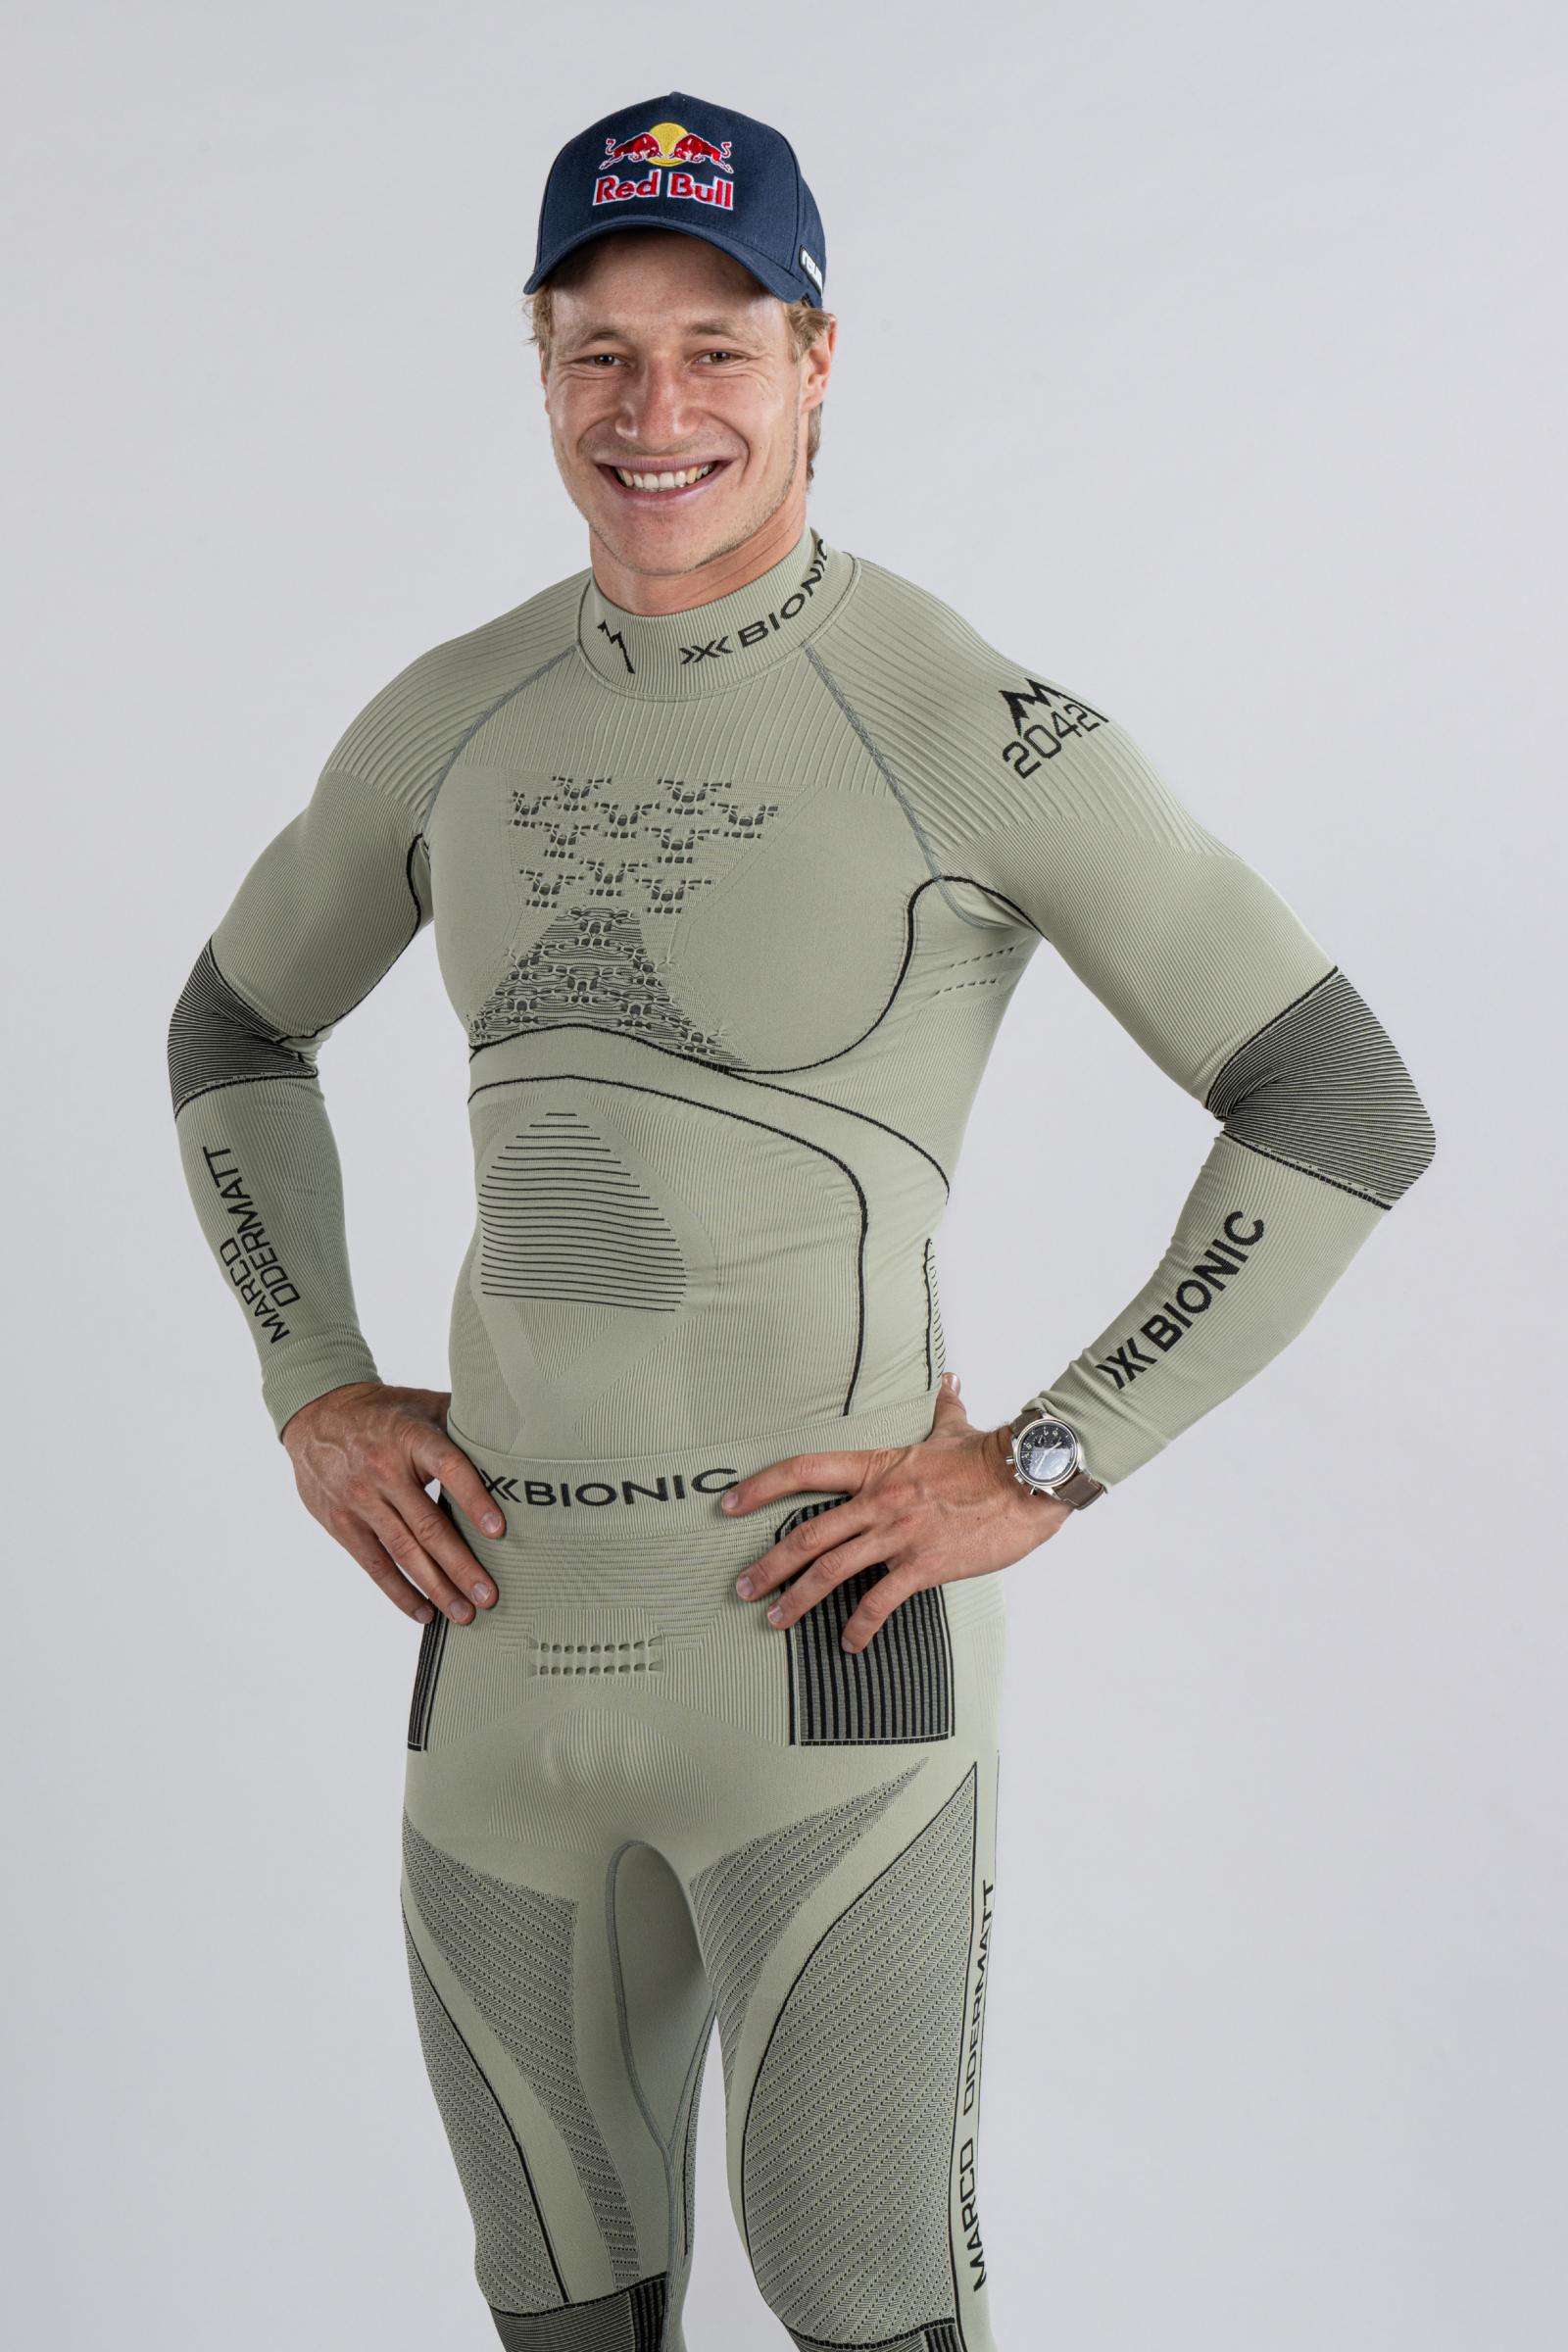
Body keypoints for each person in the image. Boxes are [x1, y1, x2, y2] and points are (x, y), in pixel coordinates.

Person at [167, 88, 1436, 2352]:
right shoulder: (450, 717)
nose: (653, 412)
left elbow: (1334, 1105)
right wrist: (316, 1385)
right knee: (552, 2300)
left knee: (863, 2301)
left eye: (716, 348)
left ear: (816, 359)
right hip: (496, 1634)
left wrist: (1049, 1456)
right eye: (599, 350)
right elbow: (233, 1032)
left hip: (824, 1647)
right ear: (537, 359)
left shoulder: (963, 719)